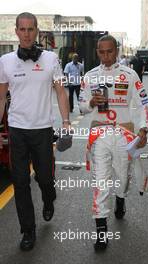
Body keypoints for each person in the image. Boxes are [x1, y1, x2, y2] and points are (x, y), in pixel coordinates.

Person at [0, 12, 70, 251]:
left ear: (37, 30)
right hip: (17, 130)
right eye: (23, 29)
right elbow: (1, 97)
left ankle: (49, 197)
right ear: (16, 31)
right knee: (20, 182)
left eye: (31, 29)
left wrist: (66, 121)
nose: (27, 34)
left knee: (44, 178)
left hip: (42, 130)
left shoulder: (51, 59)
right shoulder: (6, 61)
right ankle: (28, 230)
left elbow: (61, 92)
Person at [79, 35, 148, 250]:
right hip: (99, 135)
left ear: (116, 51)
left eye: (110, 51)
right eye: (101, 52)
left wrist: (144, 128)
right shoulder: (90, 76)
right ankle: (101, 233)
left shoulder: (130, 75)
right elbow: (82, 107)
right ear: (97, 52)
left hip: (124, 134)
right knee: (101, 182)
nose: (106, 56)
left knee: (123, 178)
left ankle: (121, 199)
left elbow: (143, 102)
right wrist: (91, 102)